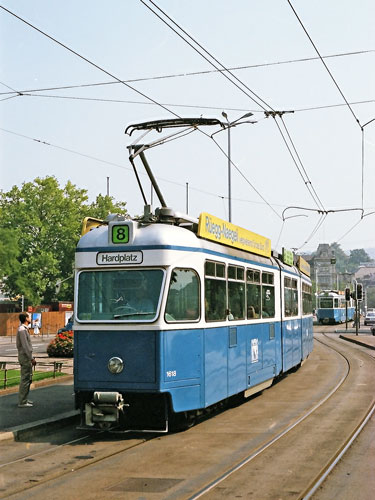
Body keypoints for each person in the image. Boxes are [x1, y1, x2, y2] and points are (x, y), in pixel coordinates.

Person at [16, 312, 36, 408]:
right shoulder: (22, 330)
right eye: (29, 317)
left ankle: (24, 399)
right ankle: (22, 401)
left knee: (27, 378)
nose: (30, 318)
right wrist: (31, 358)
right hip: (25, 357)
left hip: (25, 356)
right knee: (25, 379)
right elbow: (25, 346)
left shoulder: (24, 329)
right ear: (26, 318)